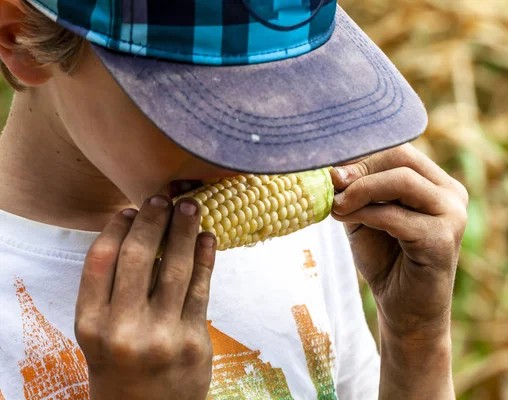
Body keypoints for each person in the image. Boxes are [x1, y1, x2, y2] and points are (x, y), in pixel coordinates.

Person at [0, 0, 468, 399]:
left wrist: (416, 345)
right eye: (201, 106)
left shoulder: (307, 237)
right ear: (21, 36)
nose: (259, 144)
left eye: (284, 90)